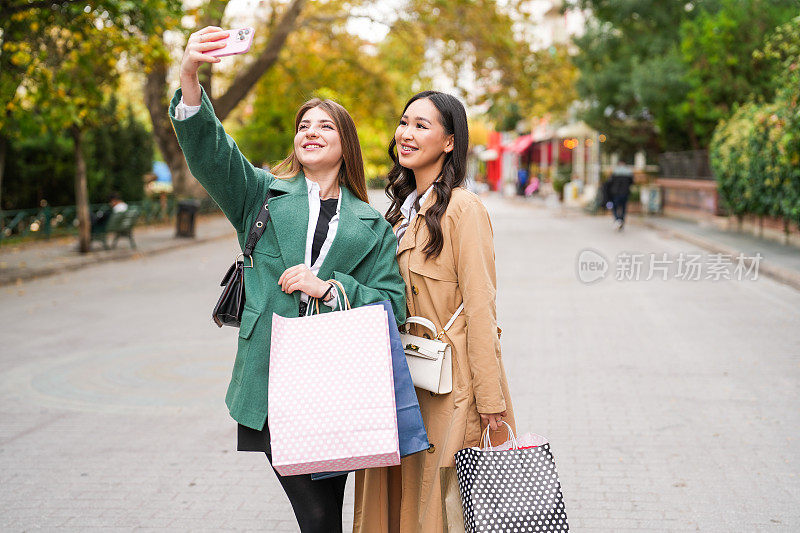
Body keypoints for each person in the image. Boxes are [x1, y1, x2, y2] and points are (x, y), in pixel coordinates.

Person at [168, 26, 406, 533]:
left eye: (325, 126)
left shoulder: (372, 223)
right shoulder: (261, 195)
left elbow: (394, 306)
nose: (310, 131)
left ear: (346, 144)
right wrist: (189, 74)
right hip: (273, 381)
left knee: (324, 517)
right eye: (304, 125)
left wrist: (331, 288)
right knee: (317, 516)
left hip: (340, 388)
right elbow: (212, 152)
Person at [353, 91, 516, 532]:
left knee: (443, 511)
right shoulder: (399, 212)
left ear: (449, 142)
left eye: (421, 125)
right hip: (404, 380)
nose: (405, 133)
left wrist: (492, 406)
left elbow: (481, 310)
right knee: (404, 503)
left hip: (452, 388)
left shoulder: (464, 210)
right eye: (404, 122)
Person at [607, 162, 634, 231]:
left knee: (615, 207)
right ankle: (621, 220)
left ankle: (617, 219)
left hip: (616, 193)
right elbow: (632, 182)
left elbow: (610, 183)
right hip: (625, 193)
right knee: (623, 208)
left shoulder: (615, 172)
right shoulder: (628, 172)